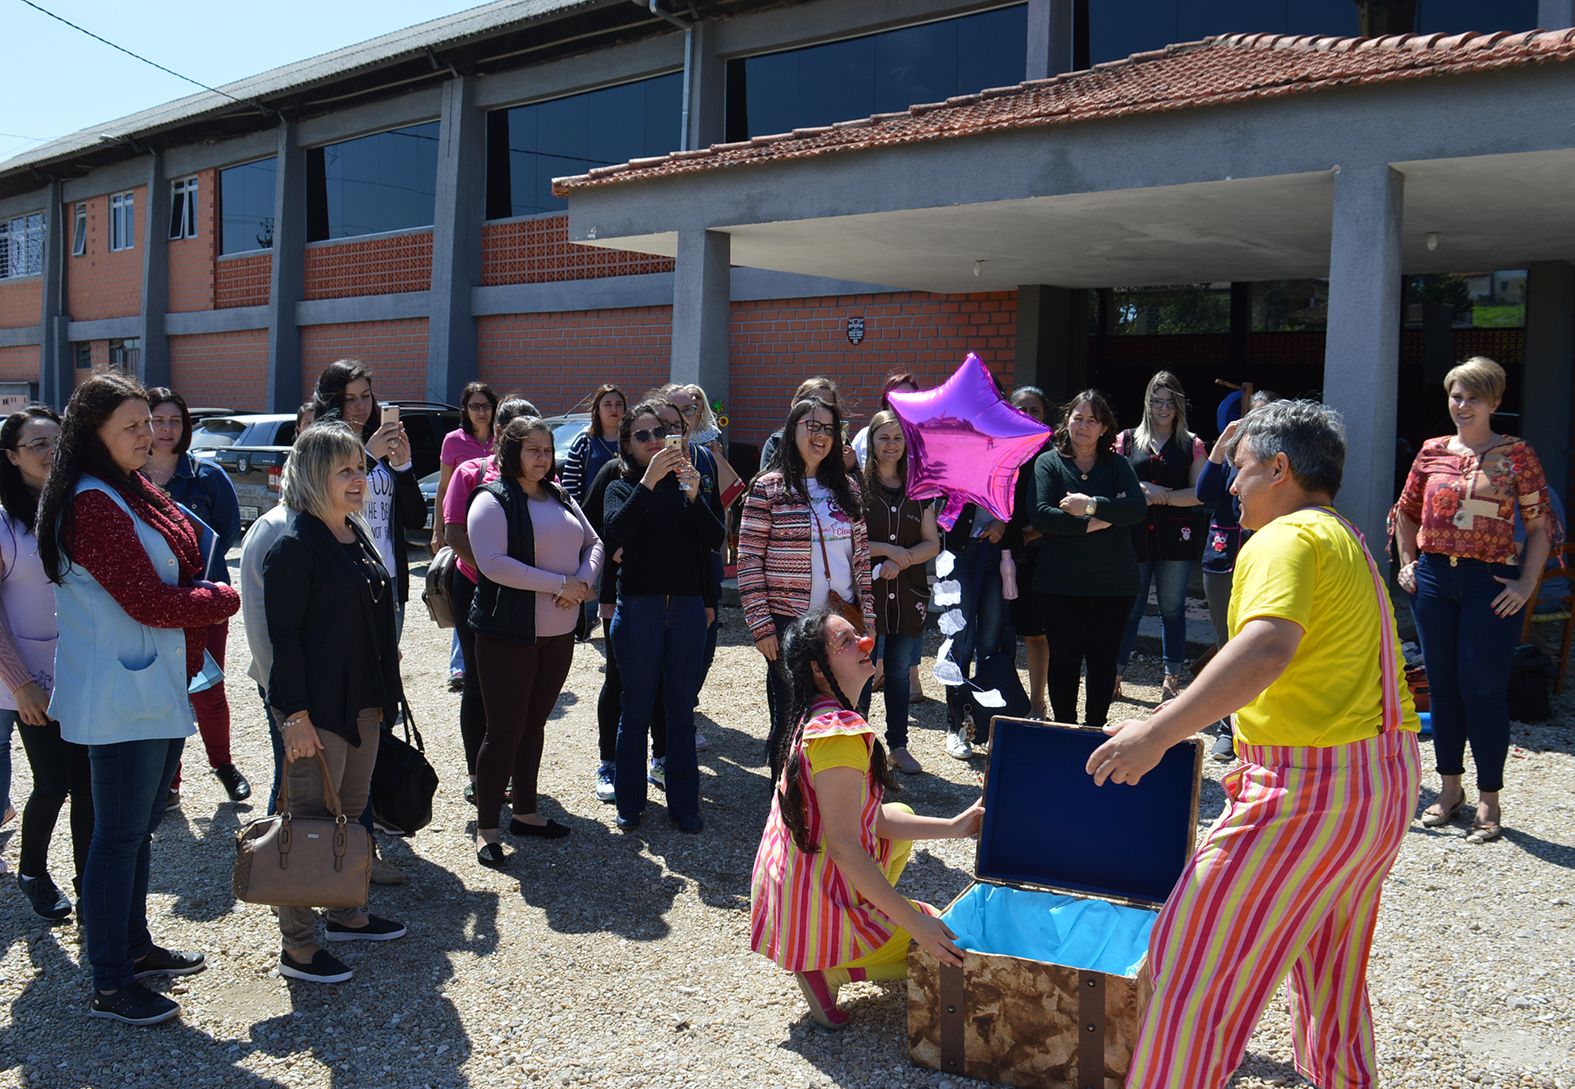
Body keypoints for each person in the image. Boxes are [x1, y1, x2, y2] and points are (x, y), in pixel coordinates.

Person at [1088, 399, 1421, 1089]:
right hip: (1379, 786)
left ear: (1279, 467)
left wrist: (1154, 731)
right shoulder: (1344, 538)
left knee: (1189, 963)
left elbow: (1265, 647)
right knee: (1331, 975)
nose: (1229, 486)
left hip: (1309, 793)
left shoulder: (1285, 537)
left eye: (1238, 470)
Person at [37, 372, 240, 1025]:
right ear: (91, 435)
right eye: (130, 426)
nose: (147, 434)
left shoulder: (128, 487)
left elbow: (181, 556)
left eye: (147, 422)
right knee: (118, 835)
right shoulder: (94, 502)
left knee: (137, 829)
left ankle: (134, 947)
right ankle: (111, 980)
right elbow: (149, 599)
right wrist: (223, 597)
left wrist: (202, 590)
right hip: (118, 693)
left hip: (146, 686)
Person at [750, 610, 983, 1030]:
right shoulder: (837, 734)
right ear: (818, 670)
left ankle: (846, 936)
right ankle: (833, 965)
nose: (865, 643)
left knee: (903, 815)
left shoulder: (818, 714)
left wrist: (954, 827)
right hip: (811, 913)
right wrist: (917, 924)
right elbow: (843, 846)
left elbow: (870, 819)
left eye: (858, 633)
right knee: (957, 943)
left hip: (793, 895)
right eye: (846, 642)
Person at [263, 422, 408, 985]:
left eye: (359, 468)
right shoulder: (294, 546)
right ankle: (298, 948)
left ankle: (346, 911)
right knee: (308, 823)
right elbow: (284, 640)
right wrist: (293, 717)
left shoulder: (353, 533)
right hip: (317, 712)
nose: (359, 478)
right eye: (344, 469)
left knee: (350, 813)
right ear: (313, 476)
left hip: (364, 703)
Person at [1394, 356, 1557, 845]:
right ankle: (1448, 791)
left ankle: (1489, 797)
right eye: (1456, 395)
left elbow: (1539, 525)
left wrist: (1527, 584)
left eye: (1473, 397)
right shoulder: (1431, 451)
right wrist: (1406, 561)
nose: (1462, 405)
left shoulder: (1516, 455)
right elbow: (1404, 513)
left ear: (1495, 402)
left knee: (1483, 690)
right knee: (1442, 689)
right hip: (1435, 581)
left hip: (1492, 583)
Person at [467, 417, 602, 867]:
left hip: (558, 636)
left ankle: (526, 813)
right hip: (508, 634)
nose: (543, 457)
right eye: (533, 450)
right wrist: (559, 584)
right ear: (511, 452)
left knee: (534, 725)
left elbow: (594, 542)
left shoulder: (559, 494)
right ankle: (487, 829)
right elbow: (493, 564)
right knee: (502, 732)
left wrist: (582, 579)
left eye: (547, 449)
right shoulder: (491, 500)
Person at [603, 399, 725, 832]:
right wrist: (650, 481)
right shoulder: (621, 485)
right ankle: (630, 802)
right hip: (639, 607)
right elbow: (616, 529)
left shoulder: (687, 484)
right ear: (628, 444)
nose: (654, 441)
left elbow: (714, 539)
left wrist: (694, 496)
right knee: (635, 708)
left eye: (661, 434)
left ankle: (684, 806)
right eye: (643, 436)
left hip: (687, 608)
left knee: (679, 711)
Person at [738, 396, 874, 783]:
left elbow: (862, 561)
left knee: (849, 715)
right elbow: (748, 560)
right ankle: (788, 809)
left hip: (844, 623)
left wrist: (871, 620)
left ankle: (841, 801)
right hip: (789, 624)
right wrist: (762, 626)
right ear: (792, 429)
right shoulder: (769, 488)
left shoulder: (847, 488)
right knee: (791, 719)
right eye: (811, 426)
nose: (820, 436)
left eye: (828, 428)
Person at [2, 405, 92, 921]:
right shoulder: (4, 523)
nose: (49, 451)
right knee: (56, 782)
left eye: (57, 440)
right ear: (12, 457)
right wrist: (19, 686)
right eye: (36, 443)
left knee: (88, 783)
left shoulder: (77, 505)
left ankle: (89, 880)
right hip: (32, 683)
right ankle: (33, 869)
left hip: (85, 672)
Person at [144, 387, 248, 806]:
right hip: (150, 604)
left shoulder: (208, 476)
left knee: (208, 687)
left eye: (175, 421)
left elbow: (227, 532)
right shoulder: (127, 479)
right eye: (157, 420)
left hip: (204, 602)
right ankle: (170, 781)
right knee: (160, 691)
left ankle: (222, 764)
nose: (166, 430)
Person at [441, 397, 540, 800]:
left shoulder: (540, 479)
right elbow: (454, 534)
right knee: (480, 683)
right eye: (515, 432)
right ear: (499, 434)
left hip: (528, 591)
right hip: (476, 588)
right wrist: (494, 574)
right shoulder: (471, 472)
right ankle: (478, 775)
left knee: (521, 683)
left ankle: (514, 769)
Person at [1031, 391, 1146, 728]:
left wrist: (1091, 504)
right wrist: (1097, 523)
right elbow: (1041, 516)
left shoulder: (1118, 465)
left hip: (1113, 584)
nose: (1082, 426)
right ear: (1067, 421)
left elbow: (1136, 509)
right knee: (1064, 658)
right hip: (1060, 583)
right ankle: (1066, 728)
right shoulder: (1049, 463)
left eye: (1091, 420)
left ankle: (1095, 726)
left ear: (1103, 428)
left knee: (1102, 659)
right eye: (1077, 418)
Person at [310, 360, 425, 640]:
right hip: (344, 575)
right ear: (334, 401)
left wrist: (404, 469)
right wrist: (368, 457)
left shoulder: (382, 446)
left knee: (385, 671)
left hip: (388, 575)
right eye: (350, 399)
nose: (361, 406)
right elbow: (322, 503)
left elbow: (415, 519)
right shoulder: (322, 445)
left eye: (366, 396)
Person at [1114, 371, 1208, 702]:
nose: (1163, 408)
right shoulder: (1127, 440)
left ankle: (1171, 677)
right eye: (1157, 401)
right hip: (1135, 535)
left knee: (1172, 608)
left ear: (1179, 405)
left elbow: (1199, 493)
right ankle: (1116, 673)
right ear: (1147, 403)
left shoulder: (1192, 444)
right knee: (1130, 607)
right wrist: (1143, 490)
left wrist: (1159, 495)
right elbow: (1117, 485)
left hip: (1176, 537)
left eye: (1170, 402)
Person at [1196, 389, 1279, 760]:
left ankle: (1258, 725)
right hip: (1223, 557)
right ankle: (1227, 725)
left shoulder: (1281, 461)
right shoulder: (1235, 453)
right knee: (1225, 642)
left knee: (1258, 641)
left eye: (1263, 416)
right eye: (1251, 415)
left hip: (1266, 557)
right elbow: (1204, 492)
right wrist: (1221, 446)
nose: (1254, 424)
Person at [857, 410, 938, 774]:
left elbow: (931, 544)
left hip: (907, 593)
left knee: (900, 670)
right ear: (871, 442)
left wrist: (901, 562)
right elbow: (851, 541)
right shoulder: (855, 488)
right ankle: (856, 745)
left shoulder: (920, 489)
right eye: (883, 438)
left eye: (897, 438)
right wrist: (888, 551)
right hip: (867, 594)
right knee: (862, 668)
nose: (891, 445)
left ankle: (898, 745)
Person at [433, 382, 497, 690]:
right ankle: (460, 665)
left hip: (495, 532)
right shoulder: (453, 441)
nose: (481, 412)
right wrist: (438, 530)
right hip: (462, 531)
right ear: (465, 410)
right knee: (464, 592)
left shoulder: (504, 440)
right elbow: (444, 489)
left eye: (486, 405)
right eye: (475, 406)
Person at [1006, 386, 1054, 719]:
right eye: (1020, 408)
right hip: (1002, 553)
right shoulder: (999, 448)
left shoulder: (1053, 454)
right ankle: (1008, 700)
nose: (1026, 414)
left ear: (1044, 415)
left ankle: (1038, 702)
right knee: (1001, 634)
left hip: (1041, 557)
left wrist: (1043, 527)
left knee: (1038, 635)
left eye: (1034, 410)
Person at [757, 377, 857, 474]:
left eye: (827, 405)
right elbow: (766, 483)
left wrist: (850, 467)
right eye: (814, 401)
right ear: (797, 404)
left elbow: (854, 485)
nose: (821, 408)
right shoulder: (777, 442)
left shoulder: (840, 441)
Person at [560, 384, 625, 503]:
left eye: (618, 404)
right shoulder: (584, 442)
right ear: (598, 410)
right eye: (607, 404)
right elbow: (570, 486)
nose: (614, 409)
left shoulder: (634, 441)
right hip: (591, 515)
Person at [849, 371, 918, 464]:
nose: (903, 404)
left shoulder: (924, 440)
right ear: (886, 403)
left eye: (910, 399)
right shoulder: (864, 436)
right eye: (897, 399)